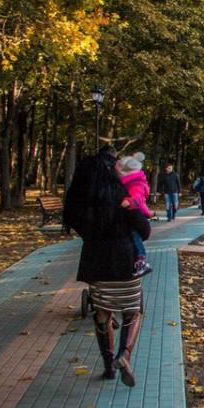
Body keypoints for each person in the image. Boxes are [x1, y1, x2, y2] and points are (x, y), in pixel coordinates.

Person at [63, 147, 152, 385]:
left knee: (102, 313)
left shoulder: (84, 198)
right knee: (132, 311)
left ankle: (108, 365)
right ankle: (124, 356)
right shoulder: (123, 194)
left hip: (97, 263)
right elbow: (145, 231)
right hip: (125, 262)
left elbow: (76, 222)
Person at [116, 154, 153, 277]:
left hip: (137, 212)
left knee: (135, 236)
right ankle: (140, 261)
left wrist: (129, 202)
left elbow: (137, 197)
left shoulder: (135, 183)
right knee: (133, 236)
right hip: (135, 212)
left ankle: (142, 261)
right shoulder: (133, 180)